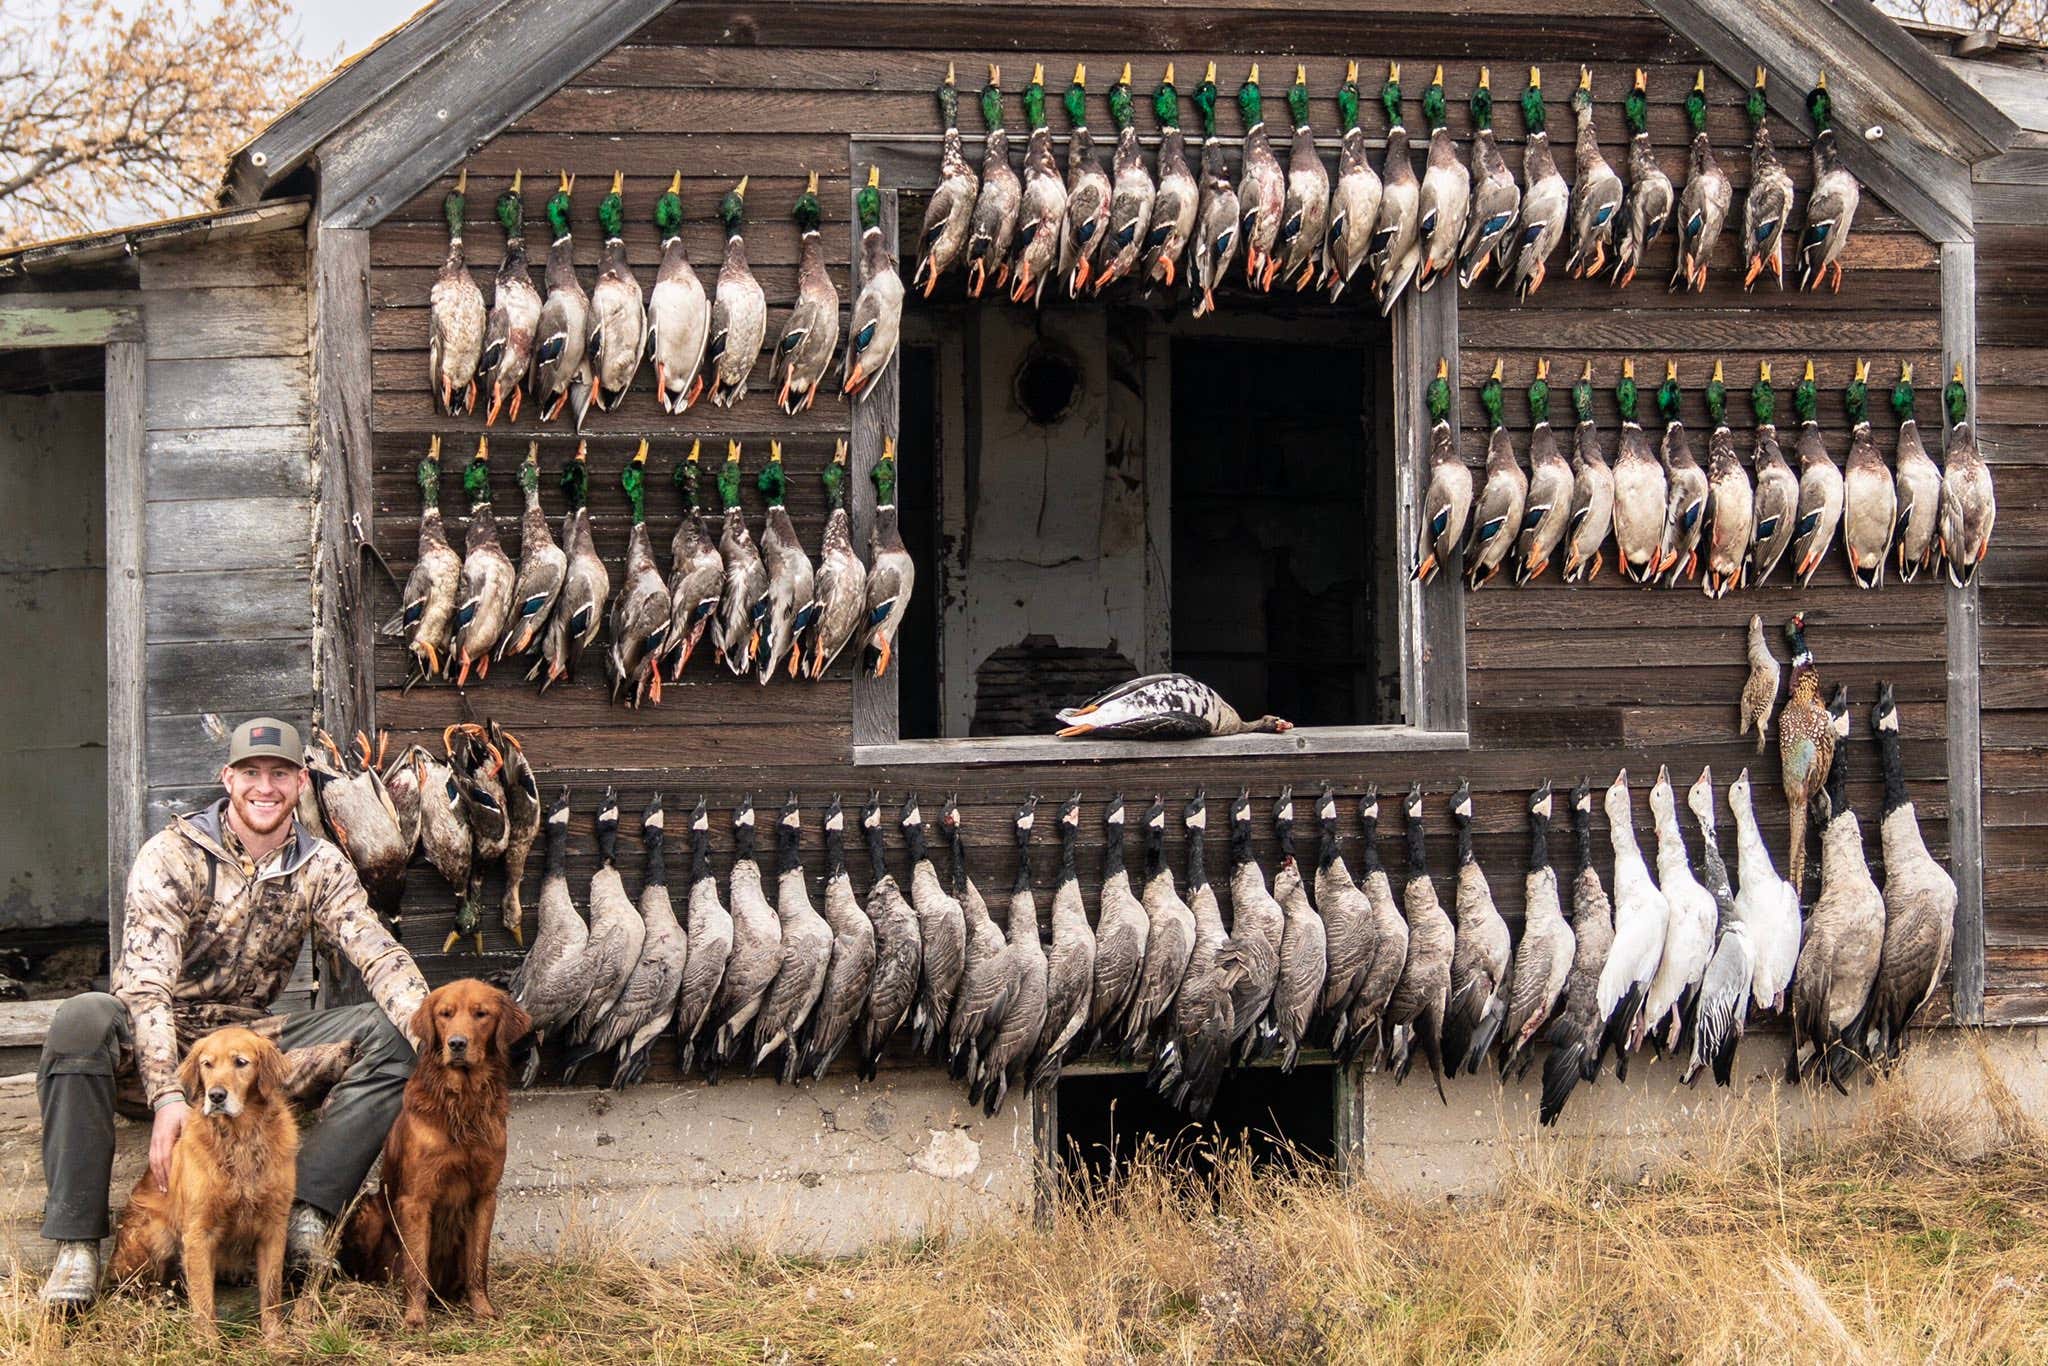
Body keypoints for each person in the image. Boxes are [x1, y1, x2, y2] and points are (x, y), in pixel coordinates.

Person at [38, 718, 428, 1311]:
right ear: (228, 779)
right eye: (250, 773)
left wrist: (436, 1028)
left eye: (278, 774)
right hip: (159, 1043)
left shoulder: (319, 866)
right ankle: (76, 1247)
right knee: (81, 1020)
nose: (263, 787)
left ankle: (303, 1215)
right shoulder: (173, 854)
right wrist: (170, 1097)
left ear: (301, 783)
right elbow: (145, 988)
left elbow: (376, 952)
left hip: (249, 1048)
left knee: (392, 1034)